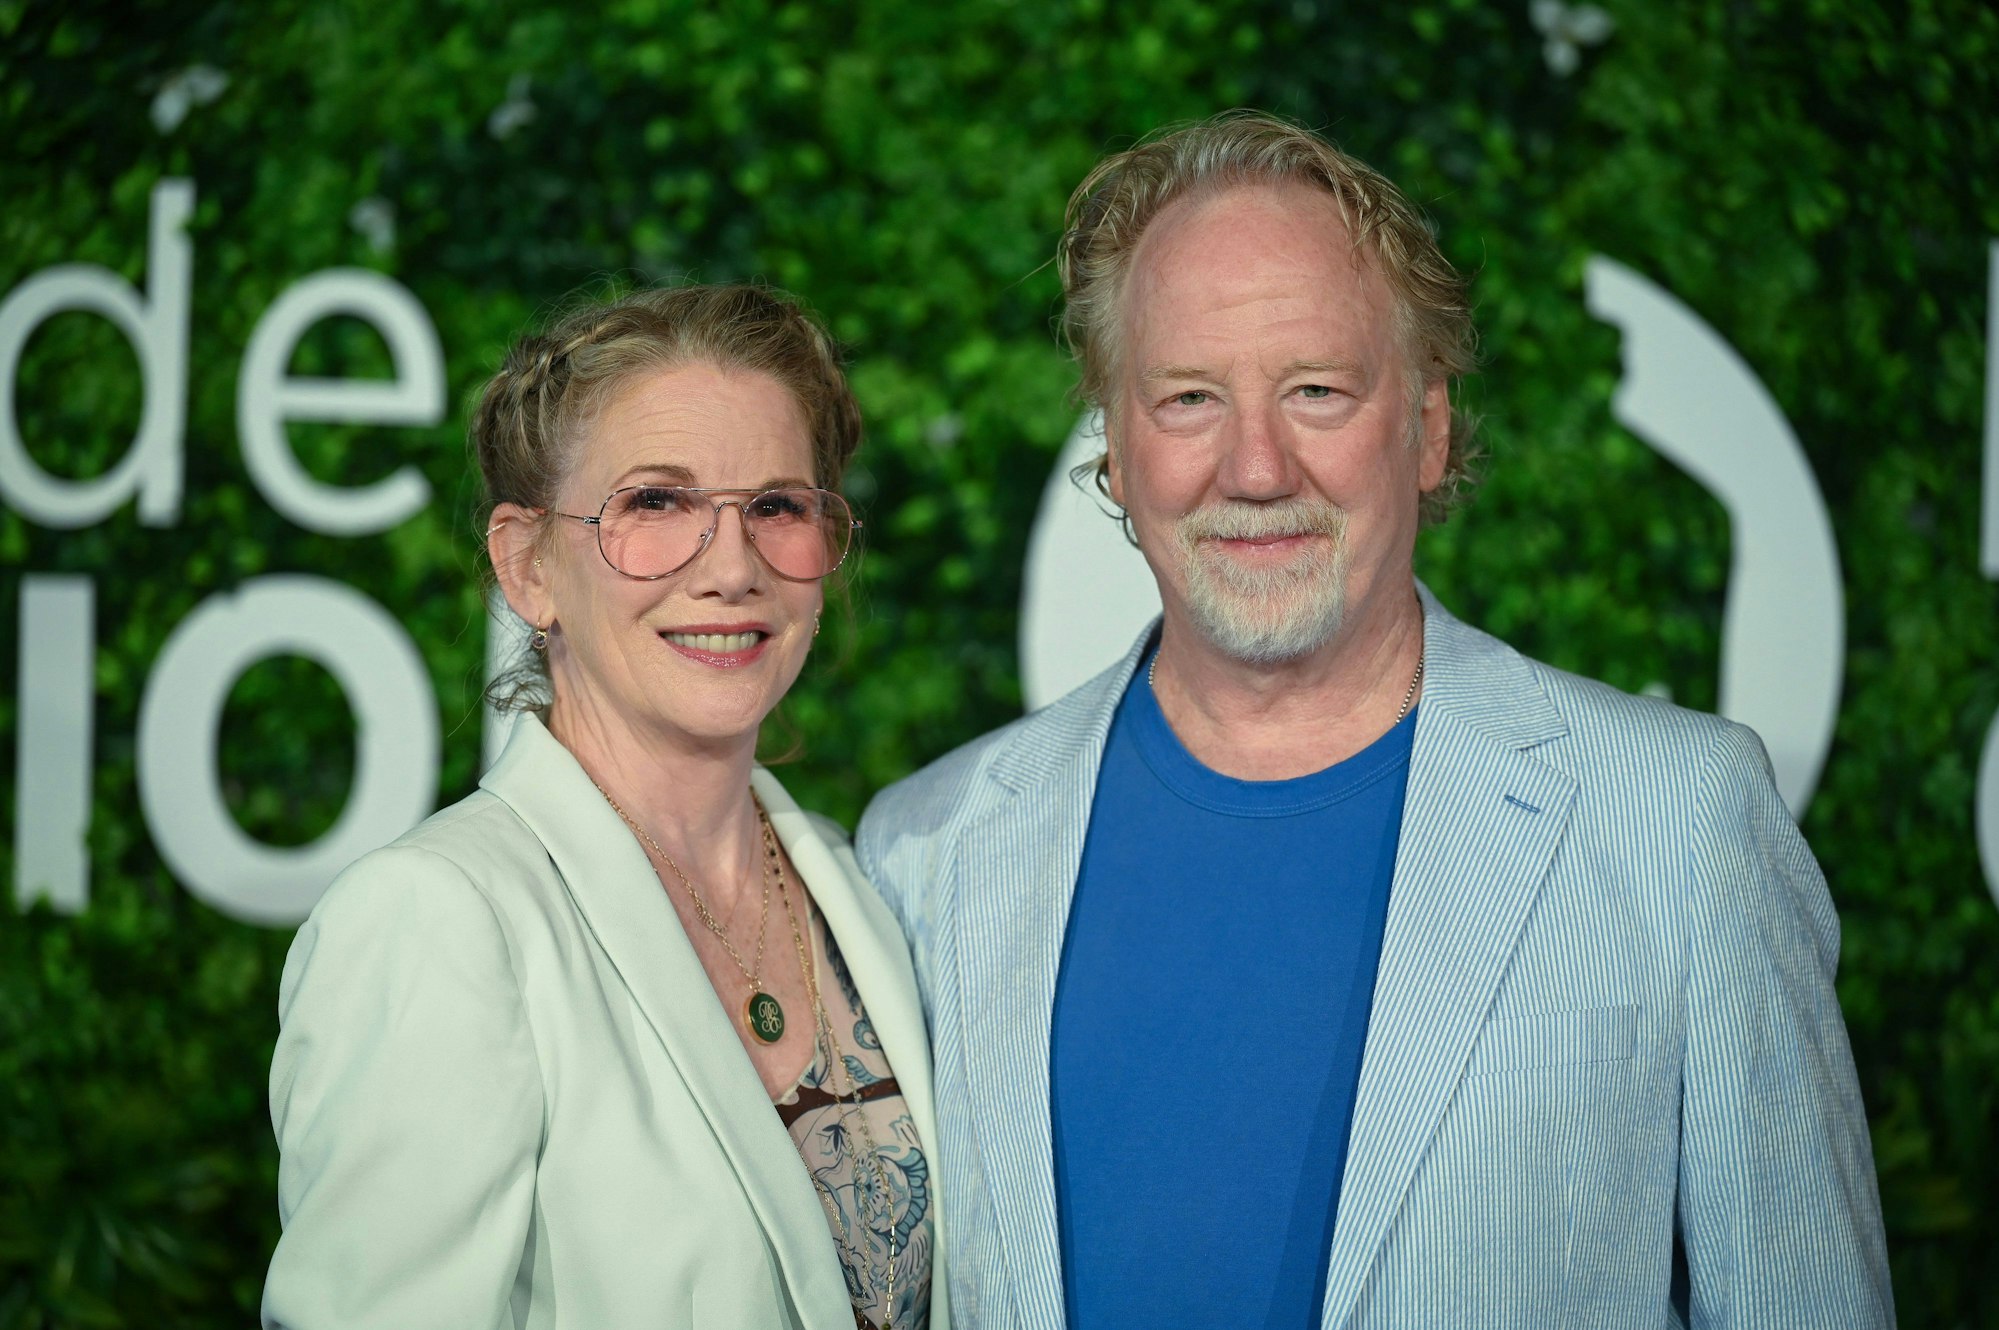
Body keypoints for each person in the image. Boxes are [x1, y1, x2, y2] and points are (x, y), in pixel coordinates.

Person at [857, 111, 1891, 1329]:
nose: (1255, 468)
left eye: (1316, 390)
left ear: (1429, 427)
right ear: (1119, 451)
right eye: (1188, 397)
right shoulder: (929, 851)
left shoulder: (1680, 819)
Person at [263, 284, 946, 1330]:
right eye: (656, 503)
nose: (732, 568)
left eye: (776, 507)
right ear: (527, 565)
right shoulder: (436, 919)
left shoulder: (864, 885)